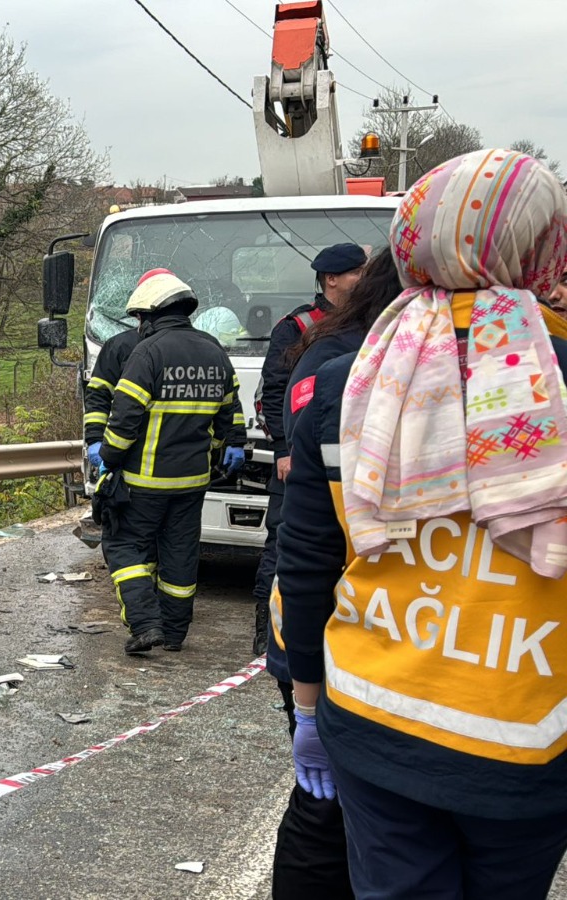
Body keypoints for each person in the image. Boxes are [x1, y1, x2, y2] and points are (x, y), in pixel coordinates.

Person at [280, 148, 567, 898]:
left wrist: (307, 705)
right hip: (530, 736)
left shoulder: (352, 381)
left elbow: (307, 565)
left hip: (374, 722)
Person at [263, 247, 401, 900]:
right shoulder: (335, 358)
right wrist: (309, 696)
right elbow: (306, 540)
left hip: (366, 633)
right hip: (345, 631)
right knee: (326, 814)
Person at [99, 268, 246, 655]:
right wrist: (213, 451)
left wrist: (109, 458)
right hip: (193, 481)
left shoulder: (148, 351)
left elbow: (125, 416)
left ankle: (146, 625)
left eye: (140, 318)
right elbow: (227, 416)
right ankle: (175, 633)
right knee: (180, 556)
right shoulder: (213, 350)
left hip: (144, 480)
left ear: (150, 315)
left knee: (124, 547)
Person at [251, 241, 367, 655]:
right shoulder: (298, 327)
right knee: (283, 545)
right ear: (331, 279)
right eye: (356, 272)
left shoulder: (372, 323)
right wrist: (284, 449)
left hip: (351, 458)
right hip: (298, 458)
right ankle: (267, 637)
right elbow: (274, 392)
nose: (363, 278)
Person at [83, 320, 144, 472]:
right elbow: (99, 394)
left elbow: (99, 395)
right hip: (196, 468)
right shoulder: (206, 345)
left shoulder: (121, 345)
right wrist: (95, 438)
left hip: (129, 461)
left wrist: (106, 451)